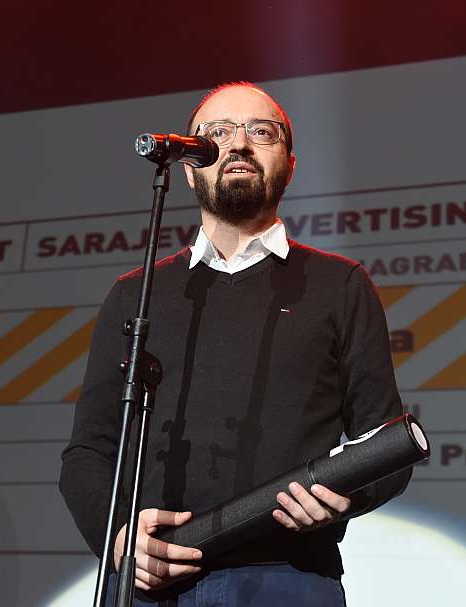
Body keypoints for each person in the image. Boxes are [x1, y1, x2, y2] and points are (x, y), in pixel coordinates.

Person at [60, 82, 411, 606]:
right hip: (149, 584)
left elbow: (383, 444)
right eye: (218, 133)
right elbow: (89, 451)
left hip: (287, 578)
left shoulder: (340, 285)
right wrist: (118, 541)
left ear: (289, 165)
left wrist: (345, 495)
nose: (239, 143)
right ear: (188, 167)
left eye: (261, 132)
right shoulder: (137, 293)